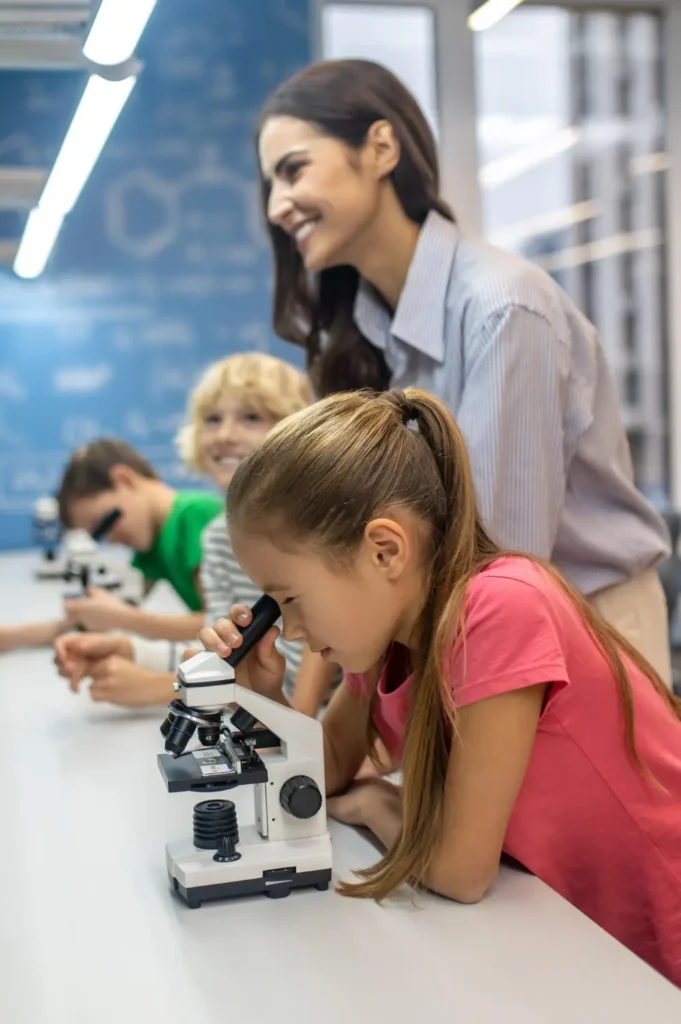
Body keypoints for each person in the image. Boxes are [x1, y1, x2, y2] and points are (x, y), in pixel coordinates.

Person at [199, 387, 681, 988]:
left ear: (384, 550)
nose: (289, 630)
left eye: (290, 599)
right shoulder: (387, 640)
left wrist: (381, 805)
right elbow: (323, 781)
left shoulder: (499, 607)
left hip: (656, 930)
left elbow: (460, 870)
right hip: (573, 934)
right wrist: (262, 700)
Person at [255, 57, 673, 685]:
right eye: (270, 186)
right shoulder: (370, 326)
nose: (278, 206)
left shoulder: (502, 308)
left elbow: (506, 559)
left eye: (293, 170)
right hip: (472, 631)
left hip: (577, 628)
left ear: (380, 147)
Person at [54, 353, 335, 714]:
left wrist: (162, 688)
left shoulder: (318, 529)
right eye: (212, 420)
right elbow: (225, 654)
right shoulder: (217, 535)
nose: (224, 435)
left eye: (251, 417)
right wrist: (132, 651)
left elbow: (296, 695)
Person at [0, 440, 223, 654]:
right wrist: (10, 637)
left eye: (106, 524)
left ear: (124, 479)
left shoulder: (196, 514)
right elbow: (95, 620)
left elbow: (222, 625)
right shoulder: (153, 546)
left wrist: (122, 617)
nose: (112, 540)